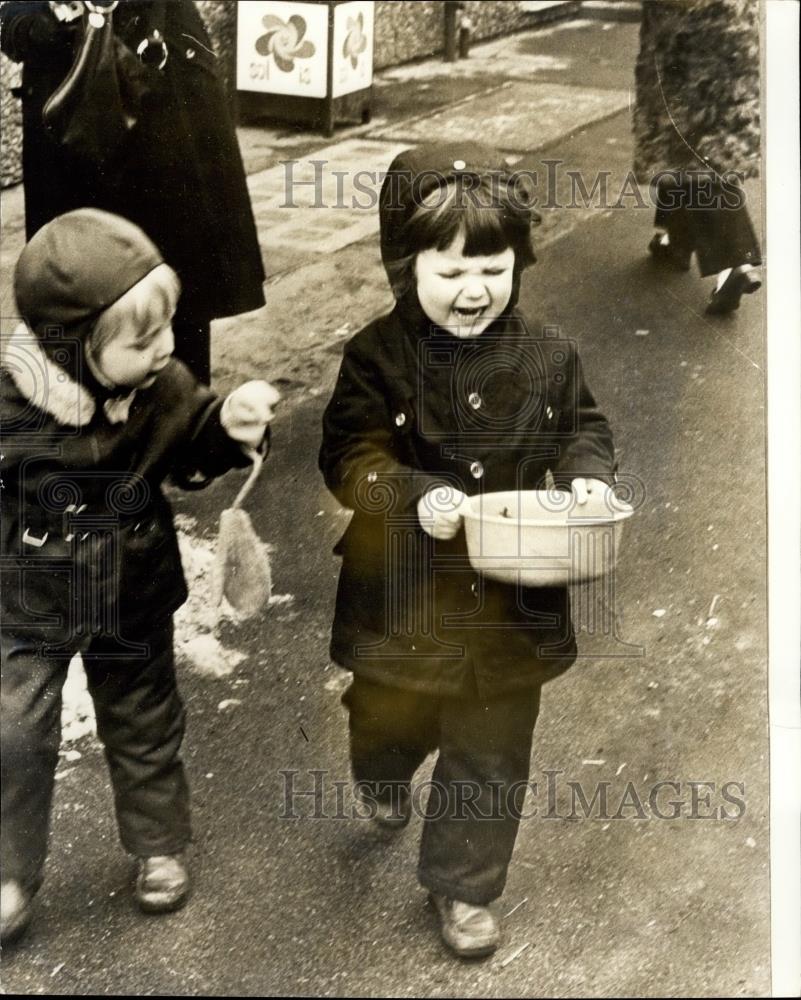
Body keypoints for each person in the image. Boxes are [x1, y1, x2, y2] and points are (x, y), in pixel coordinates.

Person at [318, 143, 617, 959]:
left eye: (491, 268)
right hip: (404, 596)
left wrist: (587, 478)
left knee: (491, 747)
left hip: (513, 604)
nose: (473, 290)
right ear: (402, 266)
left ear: (517, 263)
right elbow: (349, 458)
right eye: (447, 272)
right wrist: (414, 496)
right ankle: (381, 768)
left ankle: (463, 887)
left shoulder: (548, 353)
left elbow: (584, 427)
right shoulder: (376, 356)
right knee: (389, 712)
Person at [0, 208, 279, 944]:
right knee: (11, 733)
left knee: (145, 719)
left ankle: (157, 844)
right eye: (141, 339)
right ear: (73, 344)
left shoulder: (161, 386)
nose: (164, 350)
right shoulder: (10, 405)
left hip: (132, 591)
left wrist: (229, 426)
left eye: (167, 330)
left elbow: (188, 443)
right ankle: (7, 872)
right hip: (31, 595)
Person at [0, 0, 266, 383]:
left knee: (173, 279)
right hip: (65, 92)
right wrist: (22, 21)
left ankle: (181, 419)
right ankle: (83, 425)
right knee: (73, 277)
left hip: (159, 83)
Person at [633, 0, 762, 315]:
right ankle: (673, 238)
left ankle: (733, 260)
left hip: (686, 31)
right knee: (696, 136)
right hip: (731, 24)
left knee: (690, 145)